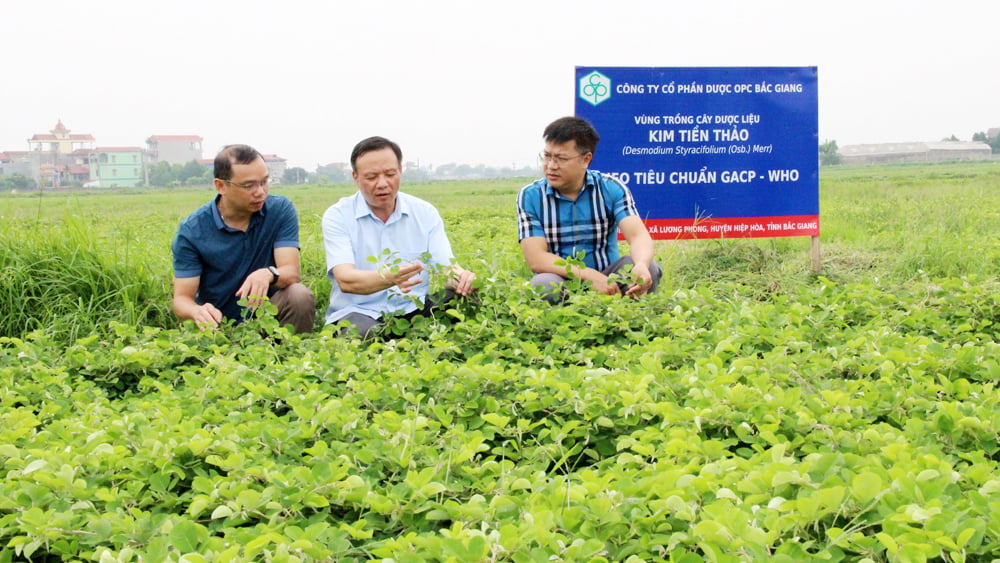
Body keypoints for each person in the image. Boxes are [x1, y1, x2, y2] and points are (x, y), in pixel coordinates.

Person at [321, 136, 476, 338]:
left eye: (390, 174)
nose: (383, 184)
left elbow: (446, 265)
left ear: (400, 171)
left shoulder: (424, 213)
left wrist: (461, 277)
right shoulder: (338, 216)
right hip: (359, 312)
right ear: (356, 178)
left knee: (467, 297)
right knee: (361, 333)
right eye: (371, 177)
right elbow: (346, 280)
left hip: (414, 310)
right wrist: (387, 278)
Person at [171, 144, 315, 333]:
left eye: (264, 182)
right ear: (220, 185)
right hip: (220, 326)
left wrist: (268, 274)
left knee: (299, 295)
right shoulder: (192, 231)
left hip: (270, 317)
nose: (260, 192)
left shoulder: (279, 210)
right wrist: (196, 311)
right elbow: (181, 299)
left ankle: (292, 357)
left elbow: (291, 272)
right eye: (248, 185)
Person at [517, 116, 663, 301]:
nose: (551, 166)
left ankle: (634, 320)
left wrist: (641, 264)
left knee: (648, 268)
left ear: (586, 160)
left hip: (610, 277)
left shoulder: (610, 188)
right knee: (543, 286)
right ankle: (561, 326)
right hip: (561, 278)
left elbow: (638, 236)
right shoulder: (531, 196)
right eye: (547, 156)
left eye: (561, 158)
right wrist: (587, 275)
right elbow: (536, 258)